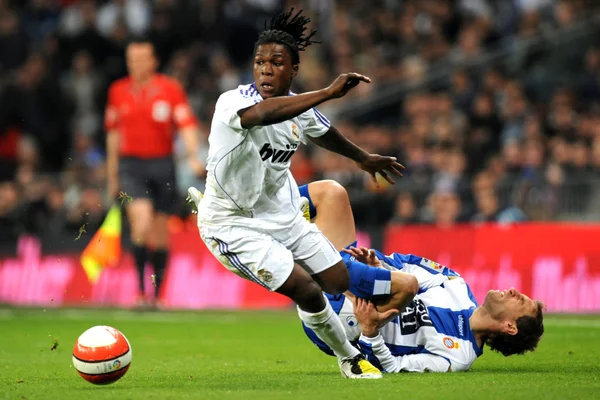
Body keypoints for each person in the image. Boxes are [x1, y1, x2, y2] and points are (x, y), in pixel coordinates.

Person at [187, 9, 403, 379]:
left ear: (293, 70)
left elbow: (323, 131)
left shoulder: (299, 109)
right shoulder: (232, 102)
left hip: (282, 215)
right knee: (307, 289)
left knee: (338, 282)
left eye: (276, 63)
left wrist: (362, 158)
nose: (266, 70)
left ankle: (344, 312)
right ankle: (349, 358)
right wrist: (327, 92)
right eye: (260, 63)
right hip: (232, 224)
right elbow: (262, 115)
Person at [298, 180, 545, 373]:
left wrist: (370, 330)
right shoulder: (455, 284)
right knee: (331, 193)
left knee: (409, 286)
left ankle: (299, 249)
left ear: (509, 327)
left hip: (348, 323)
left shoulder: (458, 357)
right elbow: (407, 264)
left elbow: (394, 366)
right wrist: (379, 266)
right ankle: (280, 222)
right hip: (353, 286)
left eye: (521, 301)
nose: (514, 291)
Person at [105, 39, 202, 308]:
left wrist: (194, 157)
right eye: (131, 59)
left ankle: (157, 295)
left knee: (160, 234)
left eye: (141, 58)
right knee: (141, 224)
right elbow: (113, 135)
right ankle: (139, 290)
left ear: (153, 61)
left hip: (163, 165)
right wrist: (112, 175)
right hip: (131, 166)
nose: (136, 64)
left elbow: (186, 124)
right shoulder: (117, 91)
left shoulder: (170, 89)